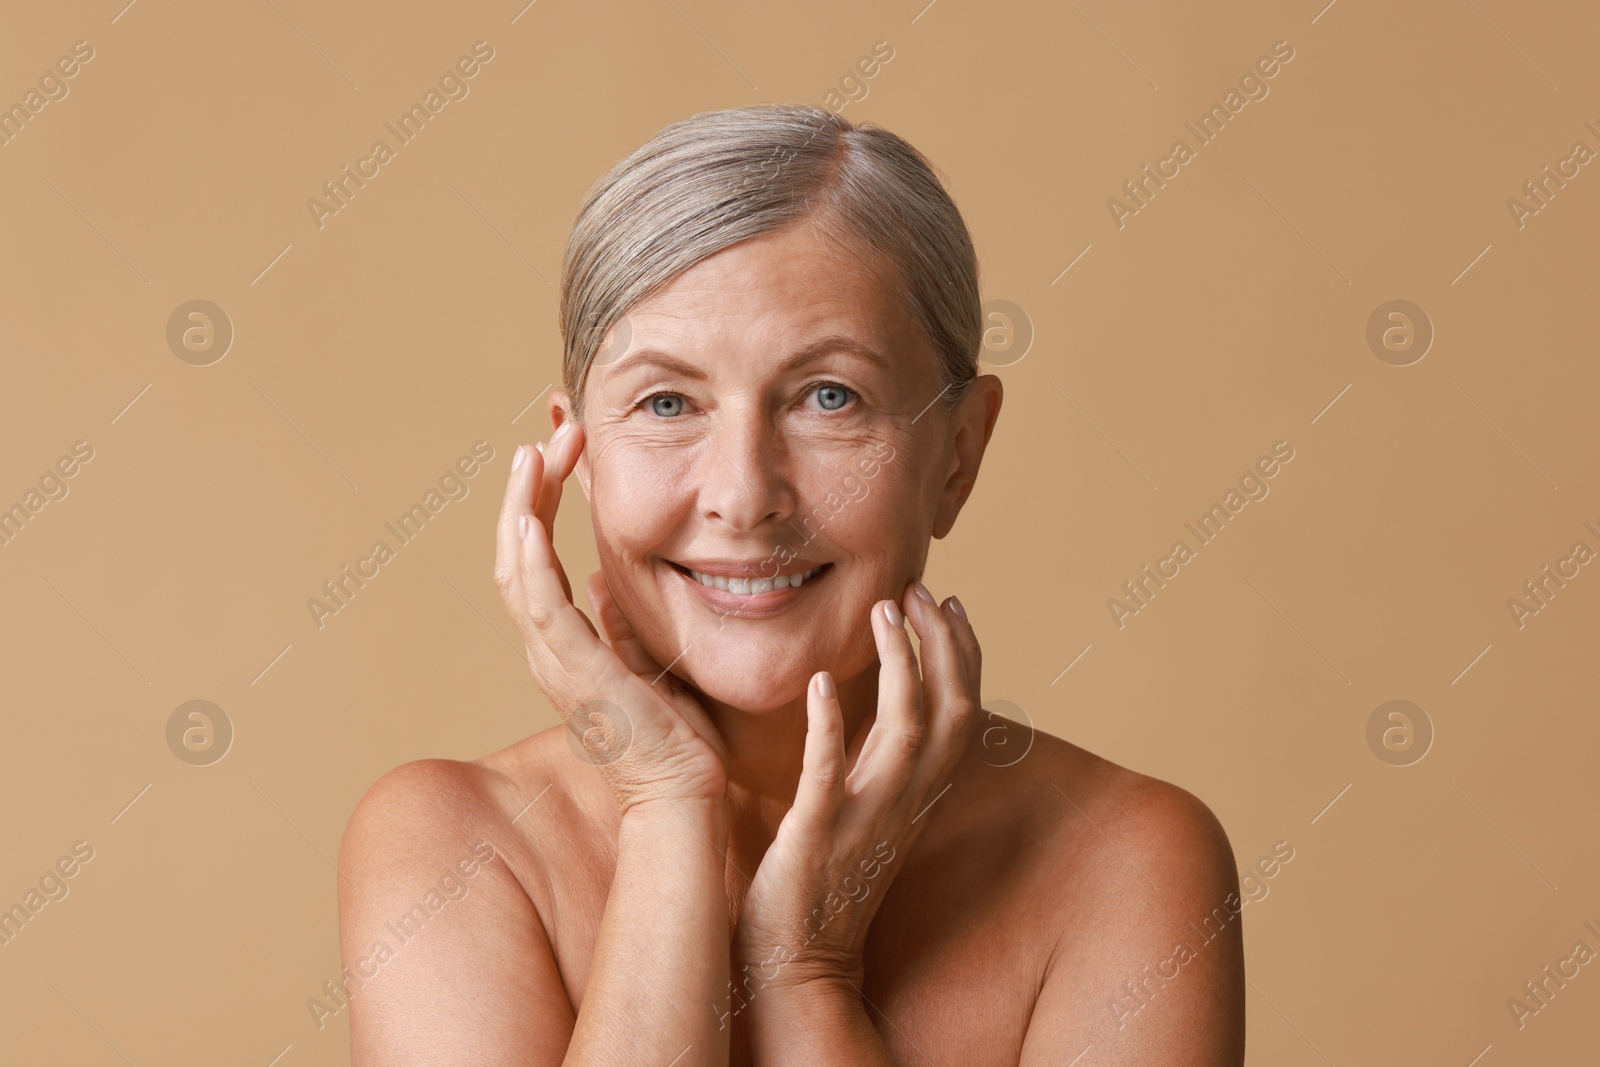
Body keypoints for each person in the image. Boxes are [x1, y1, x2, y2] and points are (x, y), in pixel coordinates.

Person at [338, 103, 1245, 1066]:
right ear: (581, 455)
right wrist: (666, 806)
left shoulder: (1126, 862)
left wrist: (802, 970)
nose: (743, 495)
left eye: (828, 397)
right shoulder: (450, 844)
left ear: (959, 454)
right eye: (666, 402)